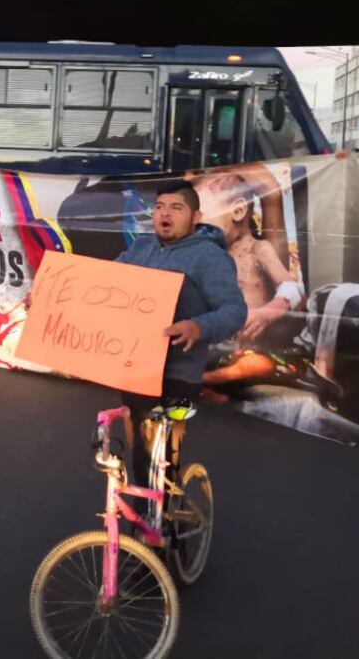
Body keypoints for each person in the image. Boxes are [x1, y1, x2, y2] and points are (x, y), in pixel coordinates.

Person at [114, 180, 247, 492]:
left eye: (177, 208)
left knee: (166, 453)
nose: (165, 214)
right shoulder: (140, 249)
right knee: (138, 448)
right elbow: (101, 283)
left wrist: (198, 327)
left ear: (196, 216)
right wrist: (53, 298)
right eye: (160, 207)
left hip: (180, 372)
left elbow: (235, 311)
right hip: (138, 366)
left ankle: (168, 516)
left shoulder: (208, 257)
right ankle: (145, 518)